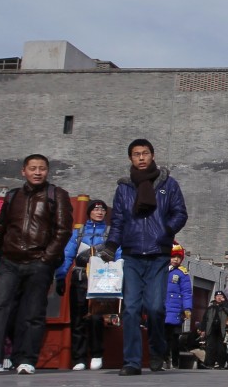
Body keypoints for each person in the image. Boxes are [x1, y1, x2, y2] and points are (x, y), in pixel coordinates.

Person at [0, 154, 73, 375]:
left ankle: (26, 359)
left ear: (48, 171)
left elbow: (63, 230)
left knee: (33, 312)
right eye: (33, 168)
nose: (38, 172)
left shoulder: (57, 195)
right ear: (23, 171)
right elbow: (0, 229)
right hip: (9, 261)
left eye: (42, 169)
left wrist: (47, 258)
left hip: (39, 261)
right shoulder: (13, 196)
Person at [98, 138, 188, 376]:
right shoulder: (125, 187)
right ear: (130, 158)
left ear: (152, 156)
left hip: (158, 254)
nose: (141, 158)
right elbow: (117, 220)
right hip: (132, 253)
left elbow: (180, 212)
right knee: (130, 308)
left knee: (156, 308)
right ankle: (132, 362)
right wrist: (110, 246)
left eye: (145, 153)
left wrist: (166, 230)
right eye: (136, 154)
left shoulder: (168, 184)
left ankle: (158, 351)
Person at [54, 198, 115, 371]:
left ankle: (96, 354)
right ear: (89, 212)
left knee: (96, 318)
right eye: (95, 209)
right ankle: (79, 357)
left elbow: (118, 255)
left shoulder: (110, 233)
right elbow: (68, 255)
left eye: (102, 209)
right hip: (80, 278)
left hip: (101, 280)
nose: (99, 212)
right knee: (78, 318)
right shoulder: (79, 233)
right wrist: (60, 276)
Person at [163, 242, 192, 369]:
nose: (176, 259)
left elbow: (187, 292)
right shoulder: (162, 270)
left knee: (174, 338)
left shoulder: (182, 274)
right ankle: (164, 359)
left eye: (178, 257)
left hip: (175, 310)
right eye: (173, 256)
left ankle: (175, 361)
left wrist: (187, 308)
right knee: (162, 337)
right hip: (162, 309)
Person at [200, 291, 228, 369]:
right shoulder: (210, 308)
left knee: (221, 348)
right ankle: (210, 363)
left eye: (221, 296)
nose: (219, 297)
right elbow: (204, 319)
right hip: (211, 329)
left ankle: (221, 364)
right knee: (211, 347)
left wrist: (224, 304)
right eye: (218, 296)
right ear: (215, 297)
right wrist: (202, 330)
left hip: (222, 330)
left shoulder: (226, 307)